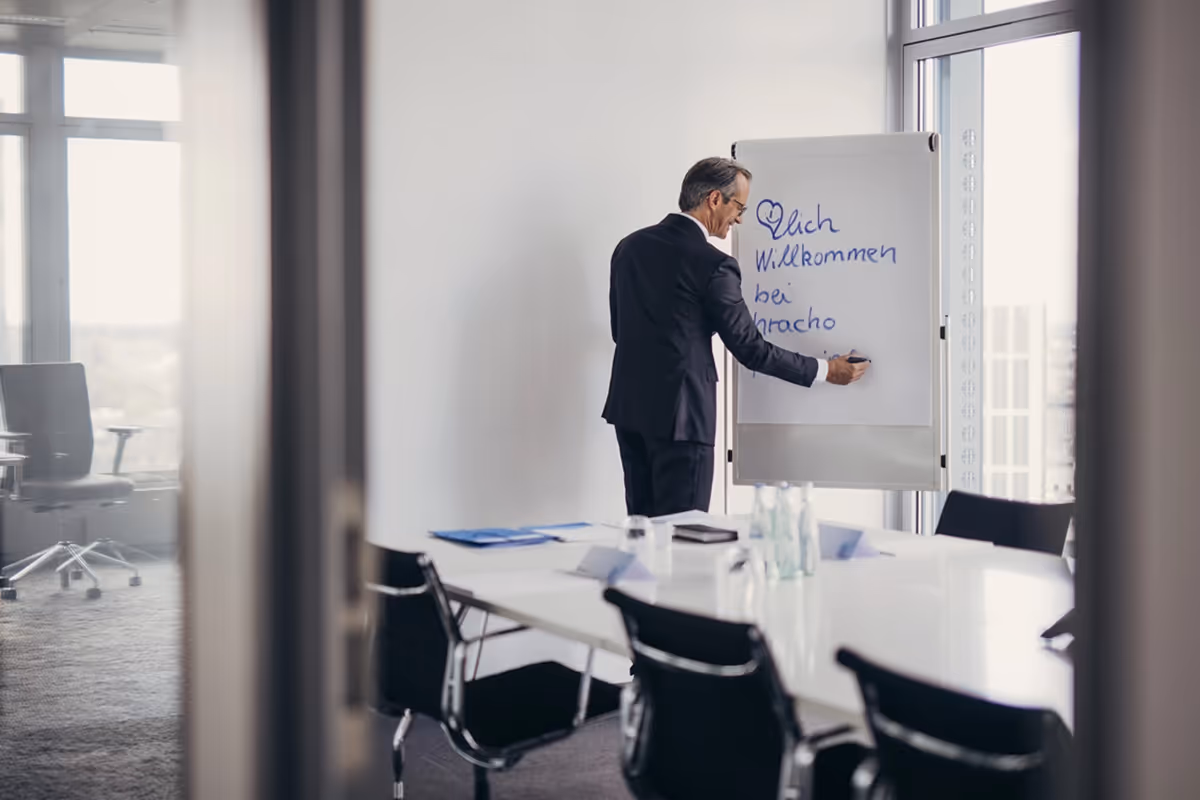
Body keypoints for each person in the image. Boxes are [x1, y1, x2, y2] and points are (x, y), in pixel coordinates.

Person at [602, 157, 868, 518]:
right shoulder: (714, 264)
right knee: (685, 537)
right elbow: (751, 349)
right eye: (739, 207)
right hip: (683, 418)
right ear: (715, 199)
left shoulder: (629, 247)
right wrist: (825, 370)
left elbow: (620, 330)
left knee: (643, 531)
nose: (740, 218)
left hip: (629, 411)